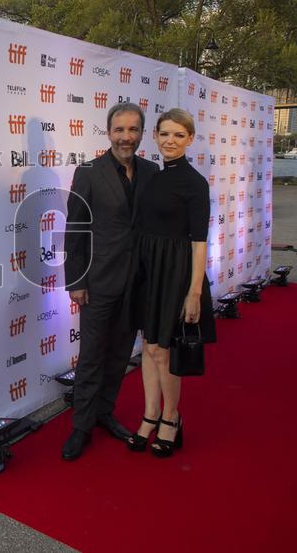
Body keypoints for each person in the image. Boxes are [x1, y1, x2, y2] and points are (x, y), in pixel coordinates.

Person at [61, 102, 159, 461]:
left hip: (137, 284)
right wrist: (76, 281)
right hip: (98, 282)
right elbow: (75, 230)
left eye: (133, 130)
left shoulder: (151, 171)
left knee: (120, 356)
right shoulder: (88, 172)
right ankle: (81, 427)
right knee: (91, 359)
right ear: (109, 132)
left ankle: (104, 412)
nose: (126, 137)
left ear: (141, 133)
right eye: (120, 130)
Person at [126, 108, 216, 458]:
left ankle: (171, 417)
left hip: (176, 272)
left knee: (163, 351)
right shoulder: (153, 176)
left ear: (190, 139)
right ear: (156, 137)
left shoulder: (195, 183)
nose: (170, 141)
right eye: (164, 134)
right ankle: (149, 414)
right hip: (150, 269)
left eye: (179, 135)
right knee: (148, 345)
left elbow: (199, 241)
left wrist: (194, 292)